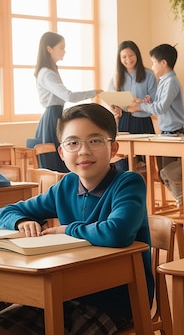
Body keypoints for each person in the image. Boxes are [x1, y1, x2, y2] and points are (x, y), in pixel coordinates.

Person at [0, 103, 153, 334]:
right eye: (73, 143)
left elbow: (118, 232)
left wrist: (68, 229)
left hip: (116, 299)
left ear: (113, 148)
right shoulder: (66, 186)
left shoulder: (128, 183)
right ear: (62, 153)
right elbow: (6, 211)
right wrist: (21, 222)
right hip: (65, 292)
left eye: (95, 141)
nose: (83, 151)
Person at [128, 43, 184, 207]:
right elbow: (159, 104)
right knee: (162, 174)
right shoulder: (164, 81)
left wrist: (141, 105)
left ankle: (182, 199)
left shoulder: (170, 82)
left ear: (163, 63)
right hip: (166, 133)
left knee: (167, 172)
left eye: (154, 62)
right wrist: (147, 102)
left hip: (175, 134)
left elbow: (161, 108)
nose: (152, 67)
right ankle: (181, 198)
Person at [34, 31, 103, 172]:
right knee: (57, 162)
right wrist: (94, 92)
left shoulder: (49, 71)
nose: (64, 51)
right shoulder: (46, 73)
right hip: (53, 117)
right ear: (49, 49)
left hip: (55, 114)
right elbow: (69, 96)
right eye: (61, 47)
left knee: (62, 158)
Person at [108, 40, 157, 169]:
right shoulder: (116, 77)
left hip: (143, 122)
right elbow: (111, 98)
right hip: (124, 121)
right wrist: (114, 106)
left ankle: (146, 187)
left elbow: (153, 101)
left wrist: (135, 105)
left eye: (131, 55)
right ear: (119, 59)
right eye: (124, 57)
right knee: (125, 162)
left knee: (145, 163)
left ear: (137, 55)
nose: (128, 59)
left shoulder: (149, 75)